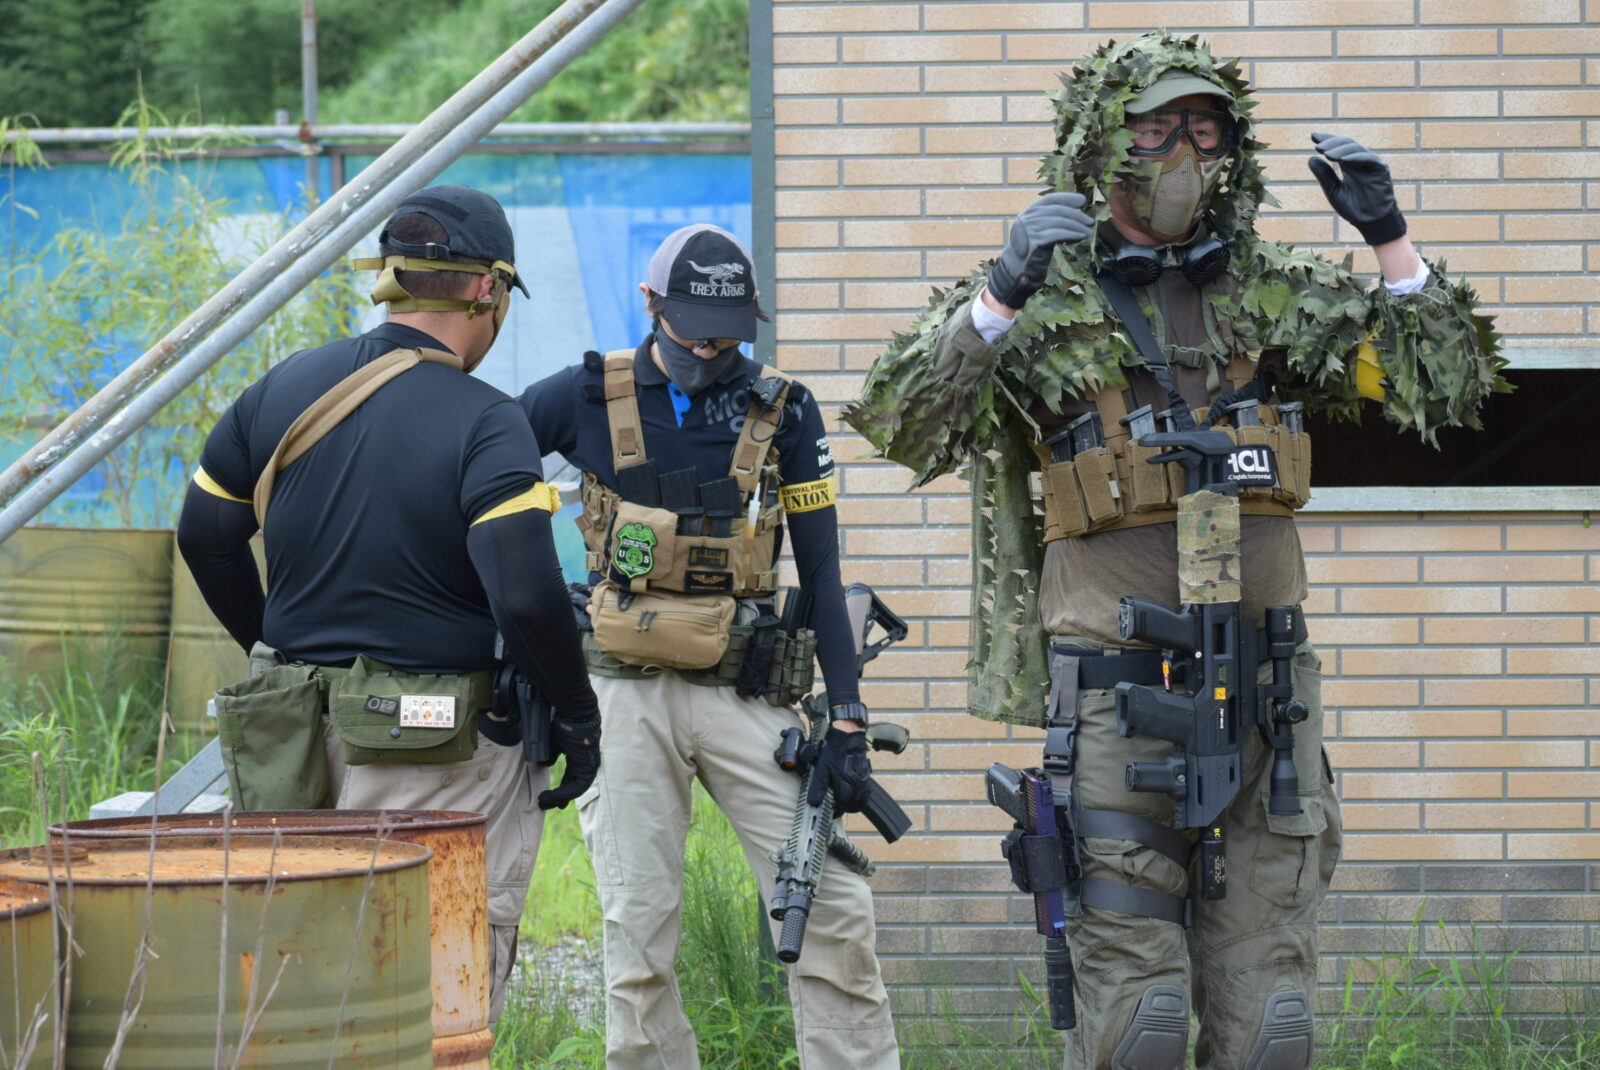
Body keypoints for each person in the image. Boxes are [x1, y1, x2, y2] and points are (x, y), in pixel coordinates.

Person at [845, 32, 1503, 1070]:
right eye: (1155, 130)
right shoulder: (1045, 300)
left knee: (1273, 1022)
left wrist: (1391, 244)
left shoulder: (1271, 291)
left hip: (1268, 699)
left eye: (1202, 129)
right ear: (1100, 146)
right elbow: (904, 425)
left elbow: (1447, 391)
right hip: (1117, 697)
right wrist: (1000, 294)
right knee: (1136, 1022)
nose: (1181, 154)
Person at [177, 184, 602, 1024]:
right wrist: (578, 716)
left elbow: (205, 537)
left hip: (293, 745)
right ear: (488, 289)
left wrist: (287, 653)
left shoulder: (283, 388)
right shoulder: (489, 421)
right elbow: (524, 594)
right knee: (431, 999)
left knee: (305, 984)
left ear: (393, 278)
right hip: (437, 754)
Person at [518, 223, 899, 1070]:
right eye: (691, 329)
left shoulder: (785, 408)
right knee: (637, 929)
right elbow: (484, 481)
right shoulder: (583, 395)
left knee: (832, 905)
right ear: (650, 304)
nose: (706, 349)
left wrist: (846, 715)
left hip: (747, 691)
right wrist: (533, 604)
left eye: (724, 335)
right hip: (624, 695)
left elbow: (823, 568)